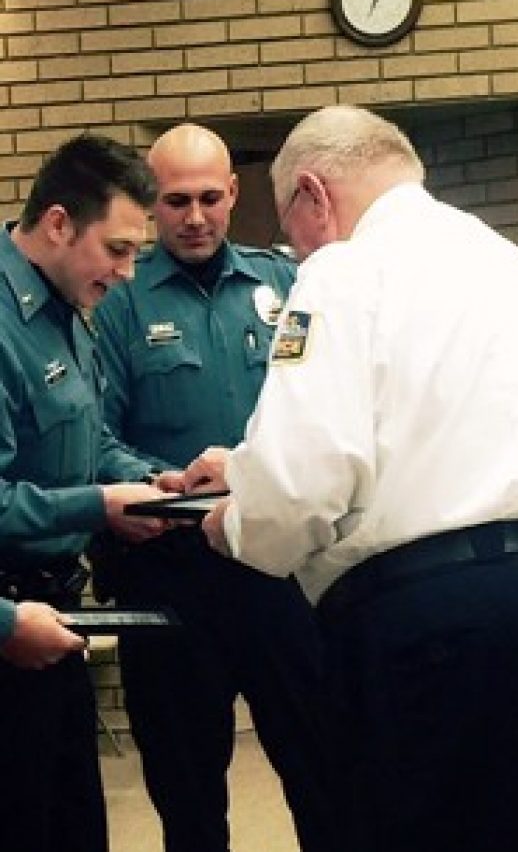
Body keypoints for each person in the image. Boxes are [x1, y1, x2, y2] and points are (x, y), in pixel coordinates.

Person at [185, 105, 518, 852]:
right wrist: (249, 470)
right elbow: (448, 430)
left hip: (458, 619)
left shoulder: (338, 270)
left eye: (292, 226)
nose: (297, 247)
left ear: (314, 195)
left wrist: (236, 518)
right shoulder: (509, 260)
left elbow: (298, 489)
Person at [91, 123, 335, 852]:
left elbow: (324, 405)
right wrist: (147, 479)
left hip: (277, 571)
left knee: (322, 766)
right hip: (169, 574)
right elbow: (92, 435)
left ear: (234, 193)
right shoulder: (117, 301)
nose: (194, 217)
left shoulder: (286, 283)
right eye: (173, 202)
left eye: (208, 198)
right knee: (186, 788)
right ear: (149, 203)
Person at [0, 133, 172, 852]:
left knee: (72, 826)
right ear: (60, 223)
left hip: (55, 615)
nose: (130, 272)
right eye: (120, 249)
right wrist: (97, 507)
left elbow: (86, 442)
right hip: (11, 625)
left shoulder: (69, 309)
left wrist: (150, 481)